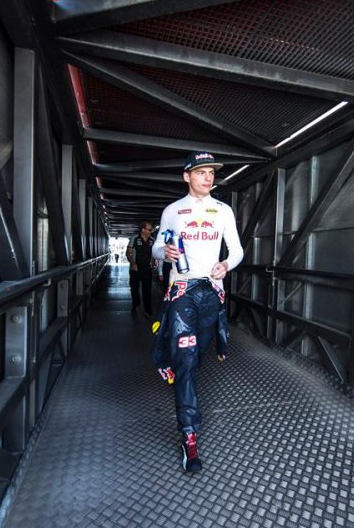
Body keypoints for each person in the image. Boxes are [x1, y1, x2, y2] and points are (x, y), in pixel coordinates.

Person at [151, 151, 243, 472]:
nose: (208, 177)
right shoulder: (173, 211)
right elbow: (156, 248)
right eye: (201, 172)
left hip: (212, 294)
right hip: (181, 292)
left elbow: (237, 249)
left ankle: (174, 363)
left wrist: (226, 264)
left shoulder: (223, 211)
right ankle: (189, 436)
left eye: (211, 172)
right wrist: (164, 251)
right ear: (186, 176)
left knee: (195, 355)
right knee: (187, 360)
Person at [126, 221, 156, 317]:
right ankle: (135, 302)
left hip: (147, 268)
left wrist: (153, 266)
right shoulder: (134, 239)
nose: (151, 231)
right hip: (135, 268)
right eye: (149, 230)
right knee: (134, 288)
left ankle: (148, 310)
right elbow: (128, 253)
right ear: (143, 230)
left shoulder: (152, 240)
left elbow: (153, 255)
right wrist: (132, 263)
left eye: (152, 230)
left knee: (147, 290)